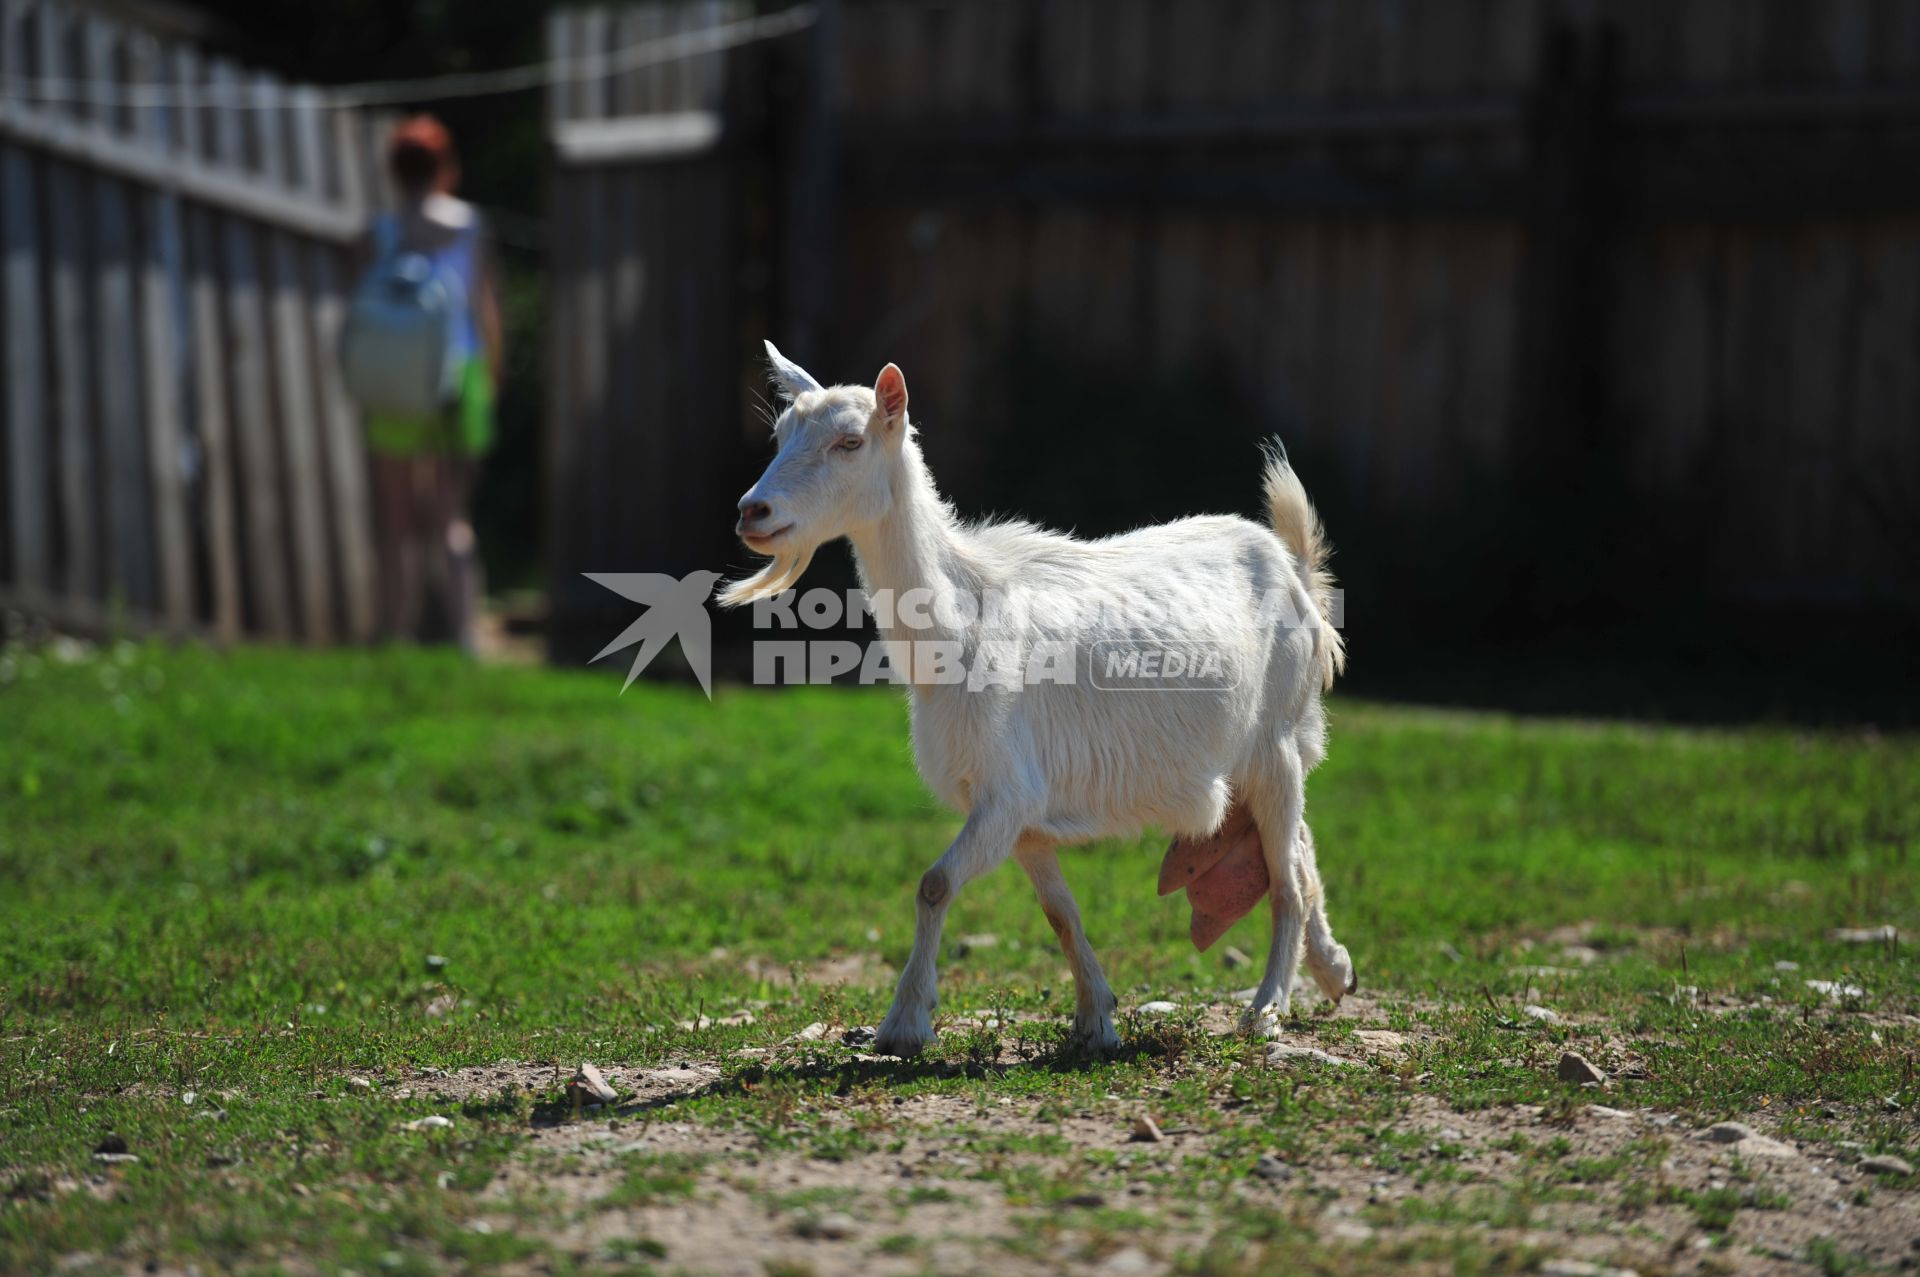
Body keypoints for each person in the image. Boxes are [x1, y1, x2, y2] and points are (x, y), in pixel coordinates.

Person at [361, 115, 503, 652]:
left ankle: (394, 634)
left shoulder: (379, 232)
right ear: (444, 167)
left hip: (393, 381)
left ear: (394, 171)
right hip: (456, 376)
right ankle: (468, 634)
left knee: (395, 521)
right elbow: (487, 315)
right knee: (451, 518)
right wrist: (489, 381)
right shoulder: (469, 227)